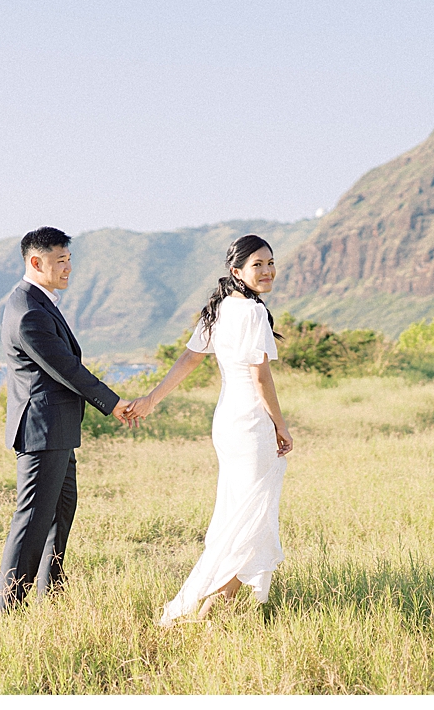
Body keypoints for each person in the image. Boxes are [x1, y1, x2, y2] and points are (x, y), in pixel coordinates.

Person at [128, 233, 294, 625]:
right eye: (258, 265)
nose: (267, 270)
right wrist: (281, 426)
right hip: (251, 424)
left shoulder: (219, 308)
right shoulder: (251, 313)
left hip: (227, 423)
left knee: (239, 514)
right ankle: (203, 613)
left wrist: (153, 399)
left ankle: (205, 611)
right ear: (237, 271)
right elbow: (261, 377)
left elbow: (189, 358)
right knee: (251, 519)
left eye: (270, 262)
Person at [0, 227, 137, 613]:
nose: (68, 268)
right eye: (60, 261)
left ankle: (52, 595)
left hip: (56, 429)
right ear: (35, 262)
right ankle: (7, 612)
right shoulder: (28, 313)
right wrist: (114, 403)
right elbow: (67, 369)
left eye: (69, 259)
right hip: (42, 430)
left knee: (60, 510)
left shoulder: (40, 302)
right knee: (32, 523)